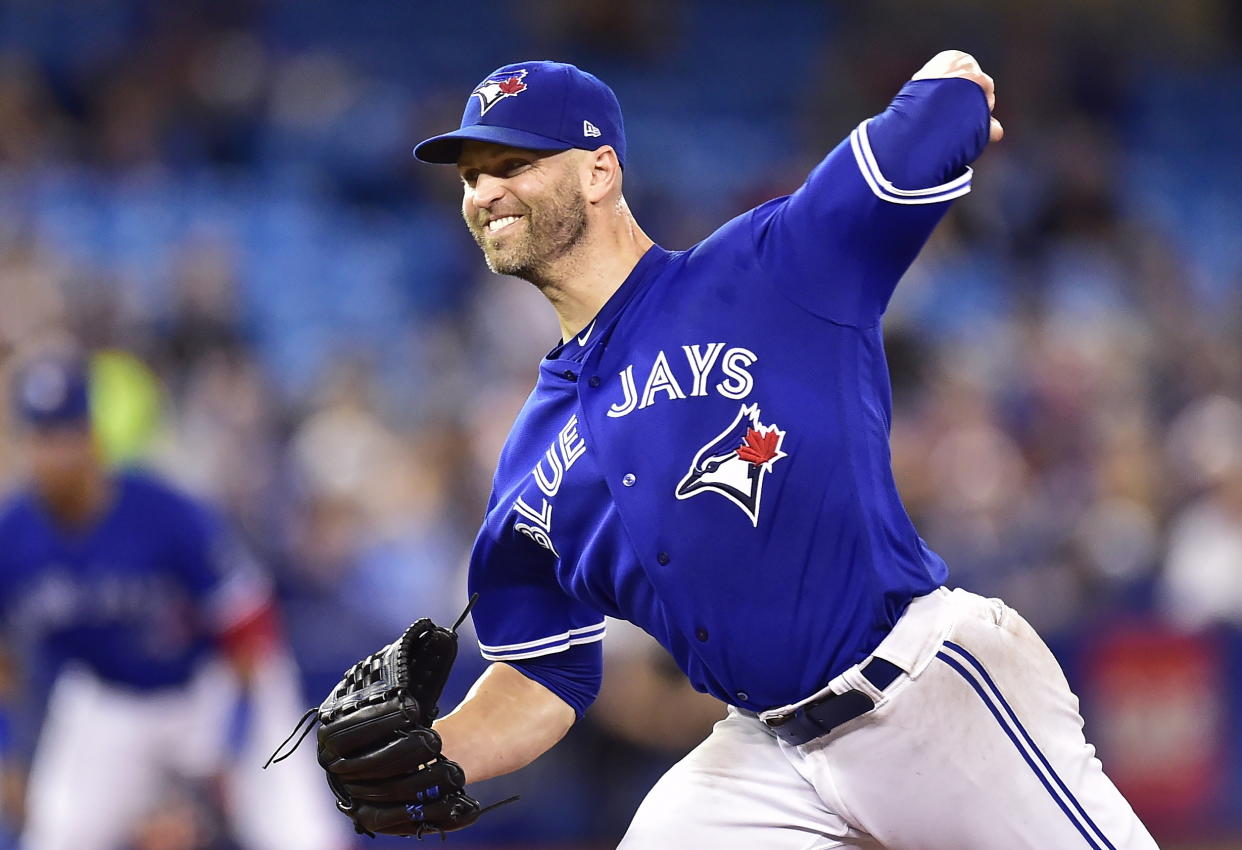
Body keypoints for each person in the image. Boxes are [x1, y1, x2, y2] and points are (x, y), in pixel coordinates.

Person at [407, 53, 1159, 848]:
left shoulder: (769, 267)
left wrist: (952, 89)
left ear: (599, 172)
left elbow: (942, 101)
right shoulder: (531, 453)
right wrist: (435, 751)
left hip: (920, 689)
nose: (484, 191)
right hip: (767, 752)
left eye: (512, 163)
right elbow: (544, 673)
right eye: (470, 176)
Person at [0, 352, 345, 850]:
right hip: (110, 699)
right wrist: (7, 752)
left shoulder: (165, 514)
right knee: (54, 838)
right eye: (41, 438)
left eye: (66, 435)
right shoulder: (13, 537)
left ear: (93, 438)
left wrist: (233, 743)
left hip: (218, 684)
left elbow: (249, 626)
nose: (54, 454)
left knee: (303, 836)